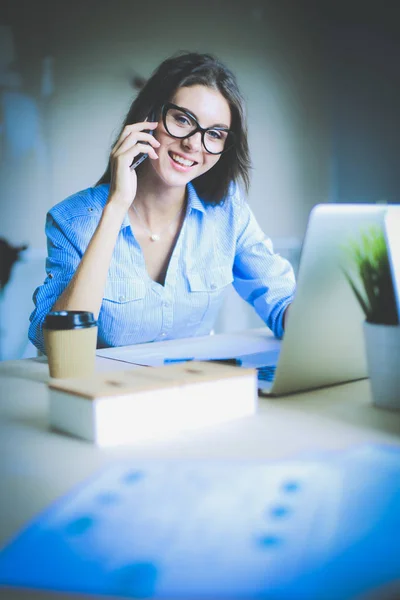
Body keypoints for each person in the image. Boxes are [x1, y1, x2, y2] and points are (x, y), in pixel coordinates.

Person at [29, 52, 296, 354]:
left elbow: (281, 300)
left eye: (216, 134)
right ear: (150, 116)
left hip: (192, 391)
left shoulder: (227, 211)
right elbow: (58, 346)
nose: (194, 144)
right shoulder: (72, 219)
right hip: (107, 394)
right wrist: (116, 206)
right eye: (182, 119)